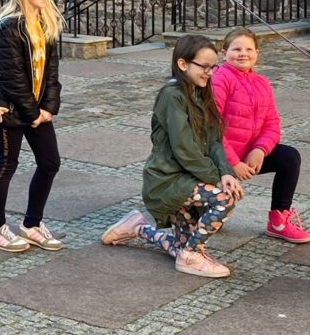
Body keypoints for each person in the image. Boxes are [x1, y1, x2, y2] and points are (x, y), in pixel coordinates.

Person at [102, 34, 245, 278]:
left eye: (213, 67)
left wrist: (226, 173)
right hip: (167, 180)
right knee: (224, 199)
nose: (210, 73)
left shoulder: (201, 92)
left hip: (188, 177)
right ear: (183, 64)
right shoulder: (172, 95)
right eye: (204, 66)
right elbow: (184, 149)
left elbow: (214, 140)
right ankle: (192, 255)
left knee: (180, 245)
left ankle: (139, 229)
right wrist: (216, 179)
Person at [0, 0, 63, 253]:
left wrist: (49, 108)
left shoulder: (46, 23)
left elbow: (51, 72)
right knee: (7, 165)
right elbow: (12, 78)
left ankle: (32, 224)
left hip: (37, 111)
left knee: (50, 162)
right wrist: (33, 113)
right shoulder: (7, 28)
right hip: (11, 111)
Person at [211, 28, 310, 243]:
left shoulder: (262, 83)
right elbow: (211, 127)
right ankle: (203, 207)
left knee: (289, 157)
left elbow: (272, 123)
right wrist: (232, 163)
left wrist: (260, 150)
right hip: (217, 159)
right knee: (209, 222)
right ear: (224, 53)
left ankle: (278, 220)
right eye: (236, 49)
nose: (243, 53)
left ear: (257, 53)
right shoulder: (219, 79)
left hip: (248, 154)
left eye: (249, 49)